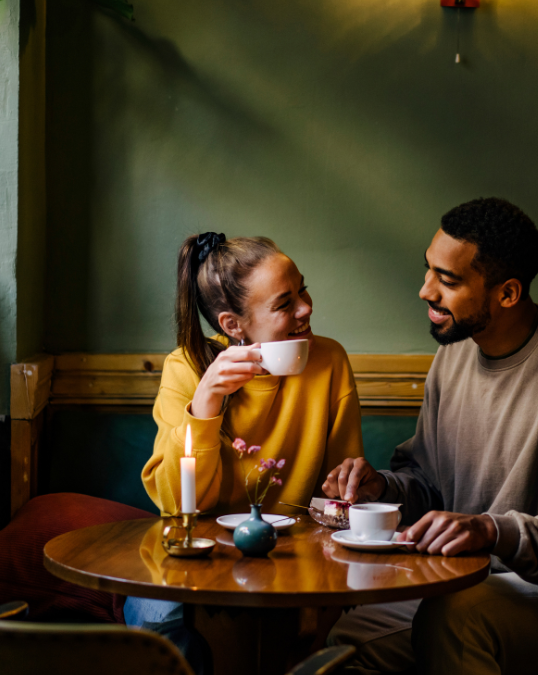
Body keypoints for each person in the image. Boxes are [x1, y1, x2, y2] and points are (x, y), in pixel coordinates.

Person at [323, 198, 538, 675]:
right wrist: (381, 488)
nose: (425, 291)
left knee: (456, 619)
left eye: (448, 281)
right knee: (349, 641)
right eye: (428, 271)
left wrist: (490, 530)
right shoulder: (455, 353)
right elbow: (427, 483)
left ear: (507, 293)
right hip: (469, 583)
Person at [129, 233, 365, 671]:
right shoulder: (186, 367)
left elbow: (339, 501)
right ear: (233, 325)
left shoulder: (328, 361)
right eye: (284, 304)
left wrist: (353, 484)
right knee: (168, 640)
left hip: (293, 563)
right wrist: (205, 404)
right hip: (193, 564)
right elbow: (177, 505)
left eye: (302, 290)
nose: (307, 308)